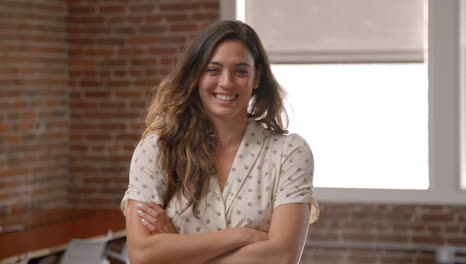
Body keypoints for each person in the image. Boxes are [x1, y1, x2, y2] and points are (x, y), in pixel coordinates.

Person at [121, 20, 319, 264]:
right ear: (196, 75)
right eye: (213, 70)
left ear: (256, 77)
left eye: (240, 71)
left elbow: (282, 257)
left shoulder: (290, 153)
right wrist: (242, 236)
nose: (226, 82)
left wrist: (176, 247)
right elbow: (142, 254)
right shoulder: (156, 150)